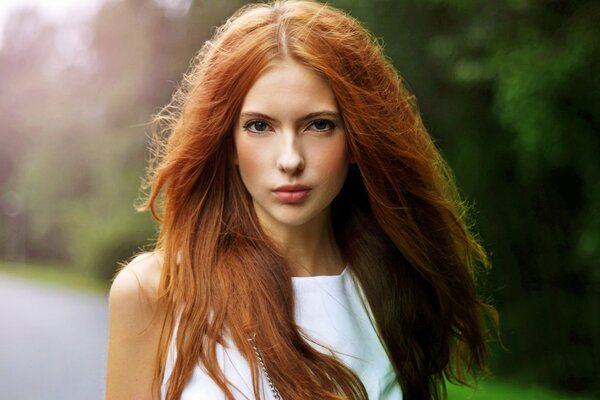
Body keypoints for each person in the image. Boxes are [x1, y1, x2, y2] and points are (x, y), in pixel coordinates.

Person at [105, 1, 497, 399]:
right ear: (228, 143)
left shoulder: (398, 285)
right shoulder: (154, 291)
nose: (290, 159)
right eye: (259, 126)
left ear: (357, 140)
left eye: (319, 125)